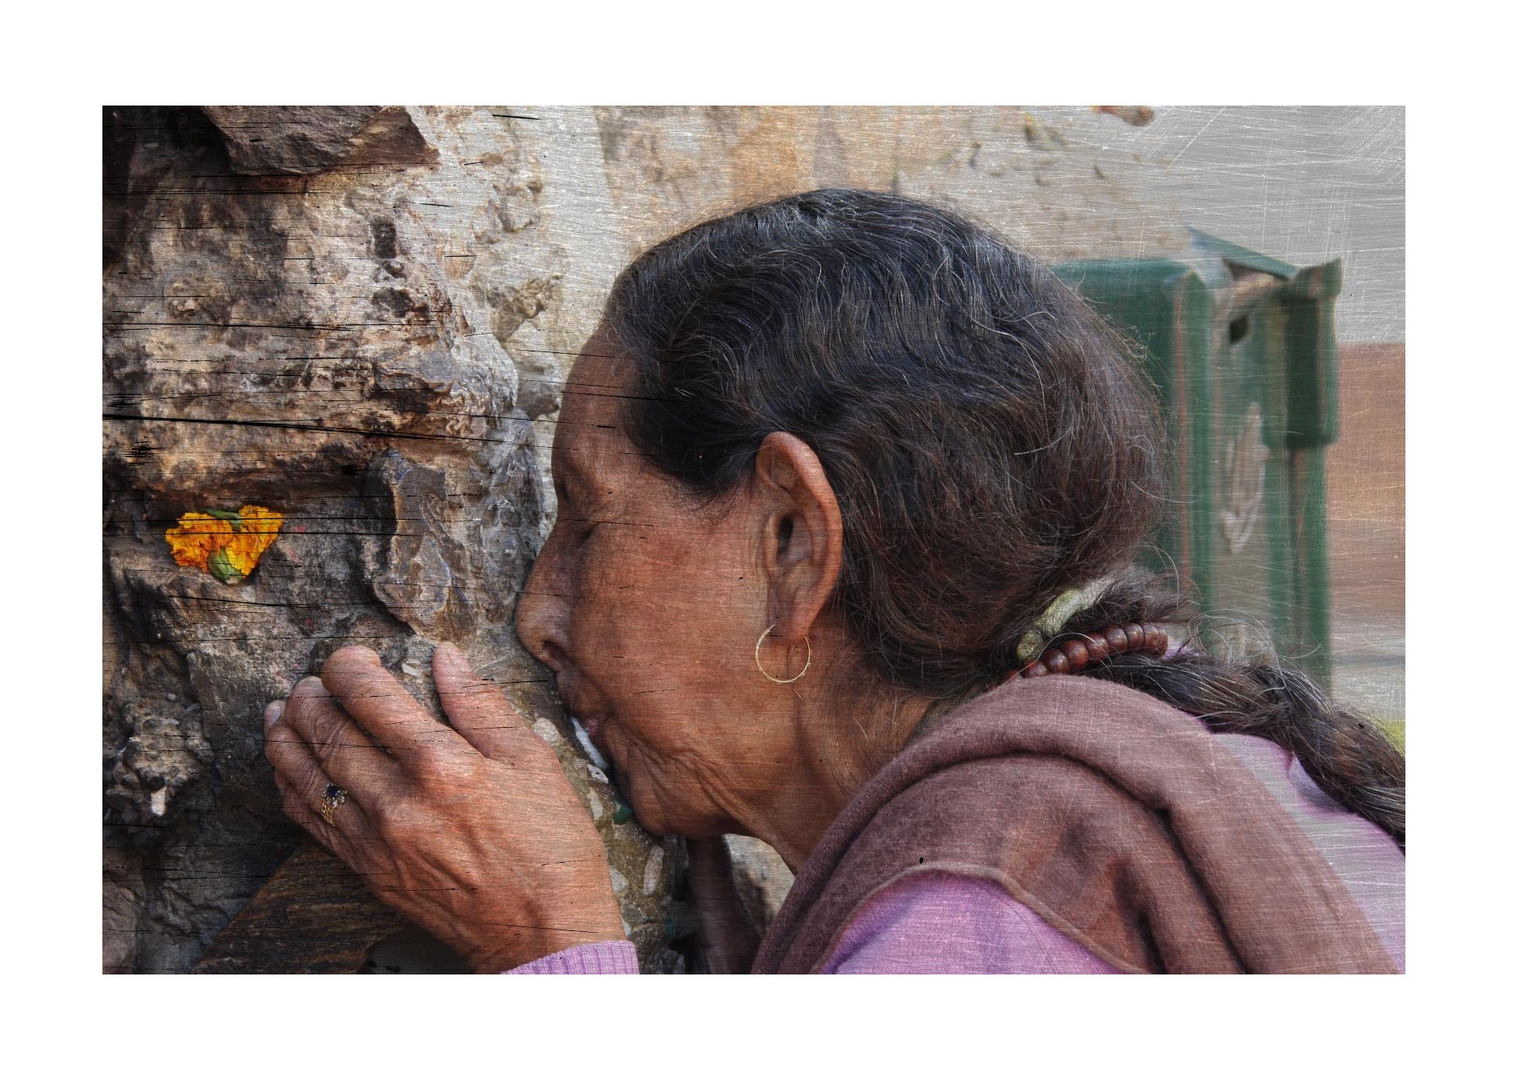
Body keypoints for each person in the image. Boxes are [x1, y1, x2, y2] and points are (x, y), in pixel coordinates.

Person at [262, 189, 1404, 974]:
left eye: (587, 522)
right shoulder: (1201, 762)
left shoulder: (981, 921)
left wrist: (550, 940)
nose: (535, 612)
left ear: (793, 545)